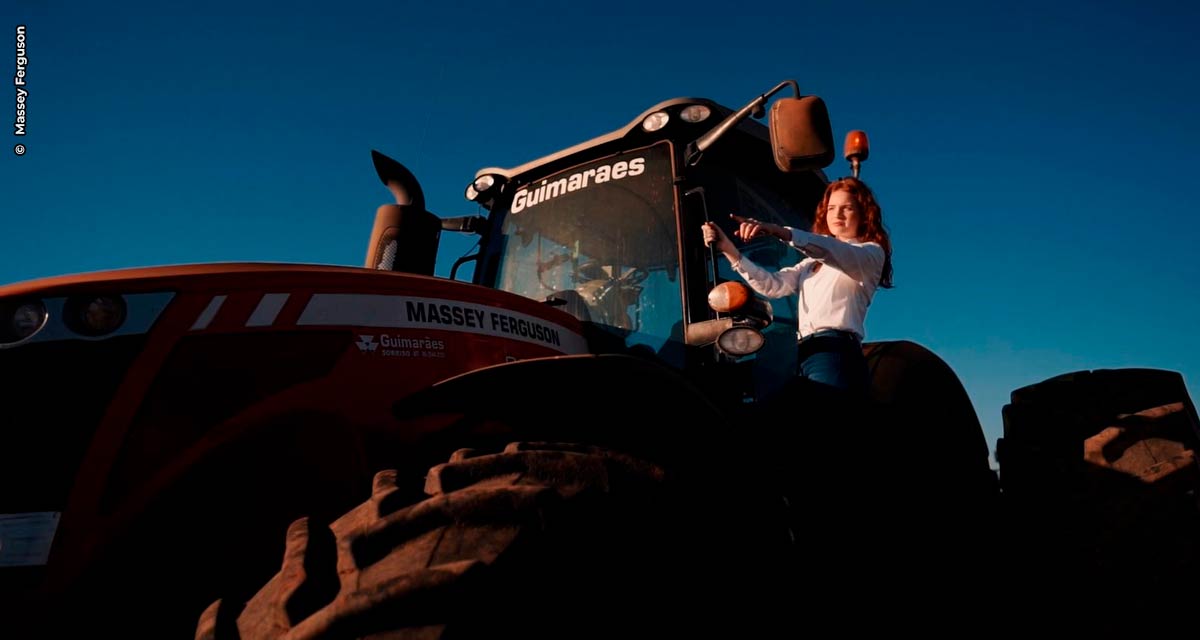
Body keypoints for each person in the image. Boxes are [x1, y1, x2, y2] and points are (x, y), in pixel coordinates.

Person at [701, 177, 893, 395]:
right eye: (831, 208)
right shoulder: (811, 263)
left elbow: (831, 249)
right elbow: (773, 286)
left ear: (863, 215)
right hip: (802, 352)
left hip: (834, 351)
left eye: (847, 208)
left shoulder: (869, 254)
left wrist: (777, 231)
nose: (837, 215)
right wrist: (728, 249)